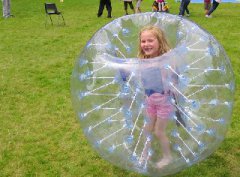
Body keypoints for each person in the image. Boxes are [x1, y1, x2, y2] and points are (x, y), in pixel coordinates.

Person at [137, 26, 174, 168]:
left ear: (160, 41)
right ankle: (145, 154)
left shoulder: (165, 60)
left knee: (159, 131)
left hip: (164, 102)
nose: (146, 44)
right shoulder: (141, 60)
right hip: (149, 101)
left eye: (150, 40)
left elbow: (173, 77)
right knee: (147, 128)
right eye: (143, 41)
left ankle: (168, 157)